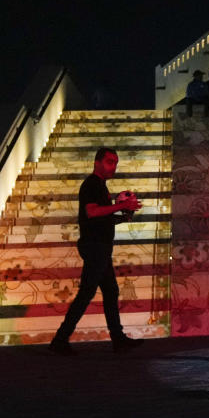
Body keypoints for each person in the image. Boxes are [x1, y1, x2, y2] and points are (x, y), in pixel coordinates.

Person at [49, 147, 144, 355]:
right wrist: (120, 207)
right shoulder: (92, 184)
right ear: (97, 162)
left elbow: (102, 217)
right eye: (110, 162)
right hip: (94, 247)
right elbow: (91, 212)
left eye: (116, 162)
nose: (114, 167)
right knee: (87, 292)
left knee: (110, 291)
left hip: (99, 247)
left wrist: (123, 216)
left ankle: (117, 338)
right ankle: (60, 340)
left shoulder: (101, 186)